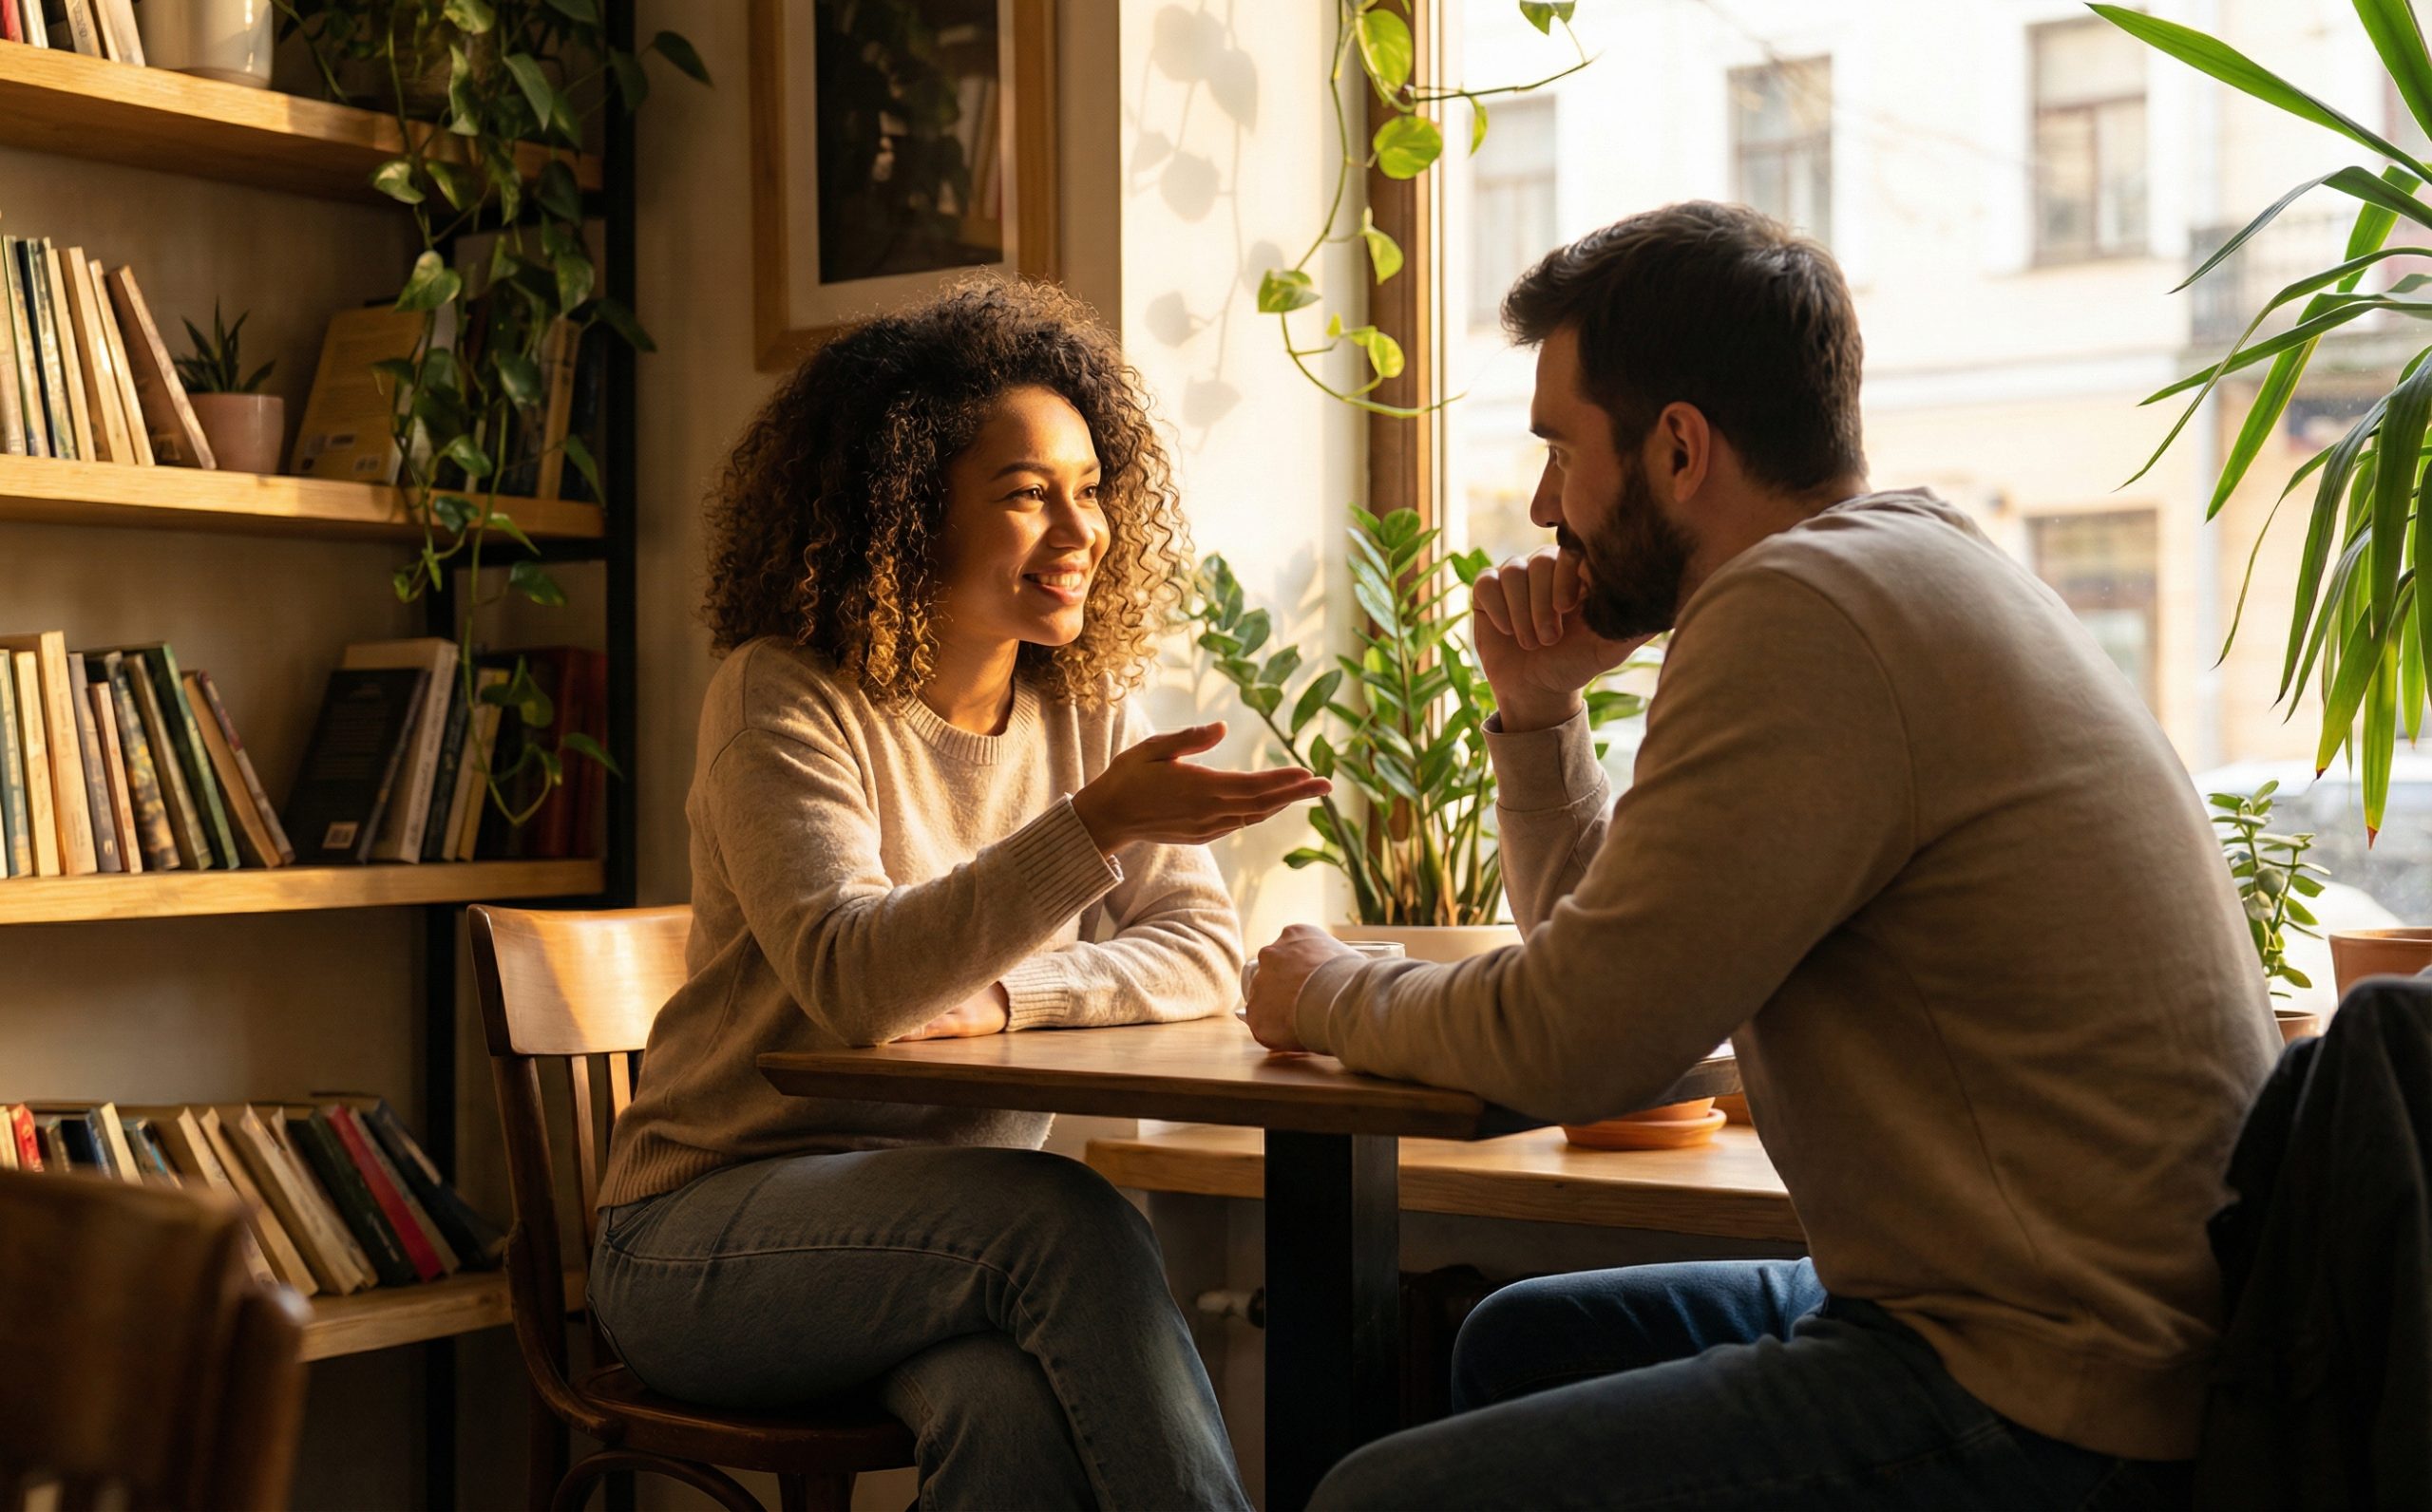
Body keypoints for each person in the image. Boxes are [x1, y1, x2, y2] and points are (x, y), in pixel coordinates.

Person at [1244, 201, 2280, 1509]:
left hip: (2052, 1383)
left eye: (1561, 450)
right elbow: (1641, 1001)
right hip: (2076, 1317)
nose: (1549, 503)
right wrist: (1542, 714)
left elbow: (1580, 1045)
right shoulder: (1909, 562)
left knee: (1374, 1500)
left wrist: (1323, 988)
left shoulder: (1798, 615)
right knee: (1521, 1342)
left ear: (1678, 447)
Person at [592, 277, 1323, 1511]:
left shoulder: (1082, 711)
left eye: (1092, 490)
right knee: (1067, 1220)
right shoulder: (783, 698)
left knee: (1006, 1412)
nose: (1082, 529)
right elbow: (857, 982)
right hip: (701, 1239)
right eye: (1030, 494)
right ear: (905, 511)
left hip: (935, 1247)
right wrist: (1092, 831)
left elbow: (1202, 950)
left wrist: (1003, 994)